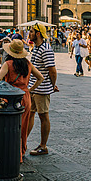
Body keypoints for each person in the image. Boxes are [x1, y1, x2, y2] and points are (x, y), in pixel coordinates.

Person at [0, 39, 45, 162]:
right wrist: (30, 89)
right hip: (25, 96)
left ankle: (10, 151)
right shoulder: (27, 63)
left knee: (10, 125)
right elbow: (40, 77)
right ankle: (20, 152)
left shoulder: (8, 64)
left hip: (11, 97)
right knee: (22, 126)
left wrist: (7, 85)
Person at [25, 22, 58, 156]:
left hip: (42, 88)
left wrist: (52, 85)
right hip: (33, 87)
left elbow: (52, 70)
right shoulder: (36, 47)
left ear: (38, 34)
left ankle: (43, 146)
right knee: (30, 114)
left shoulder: (45, 49)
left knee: (43, 115)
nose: (29, 34)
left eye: (31, 32)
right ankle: (23, 142)